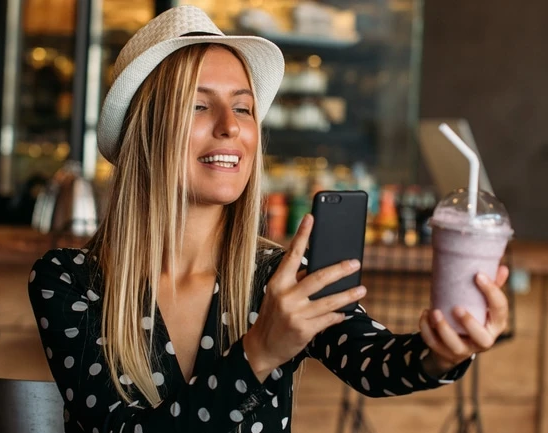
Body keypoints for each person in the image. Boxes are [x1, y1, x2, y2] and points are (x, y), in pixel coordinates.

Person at [28, 6, 511, 433]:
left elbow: (377, 362)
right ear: (147, 132)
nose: (231, 126)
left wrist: (443, 351)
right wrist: (259, 352)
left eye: (243, 107)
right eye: (199, 105)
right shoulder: (70, 280)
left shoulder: (277, 278)